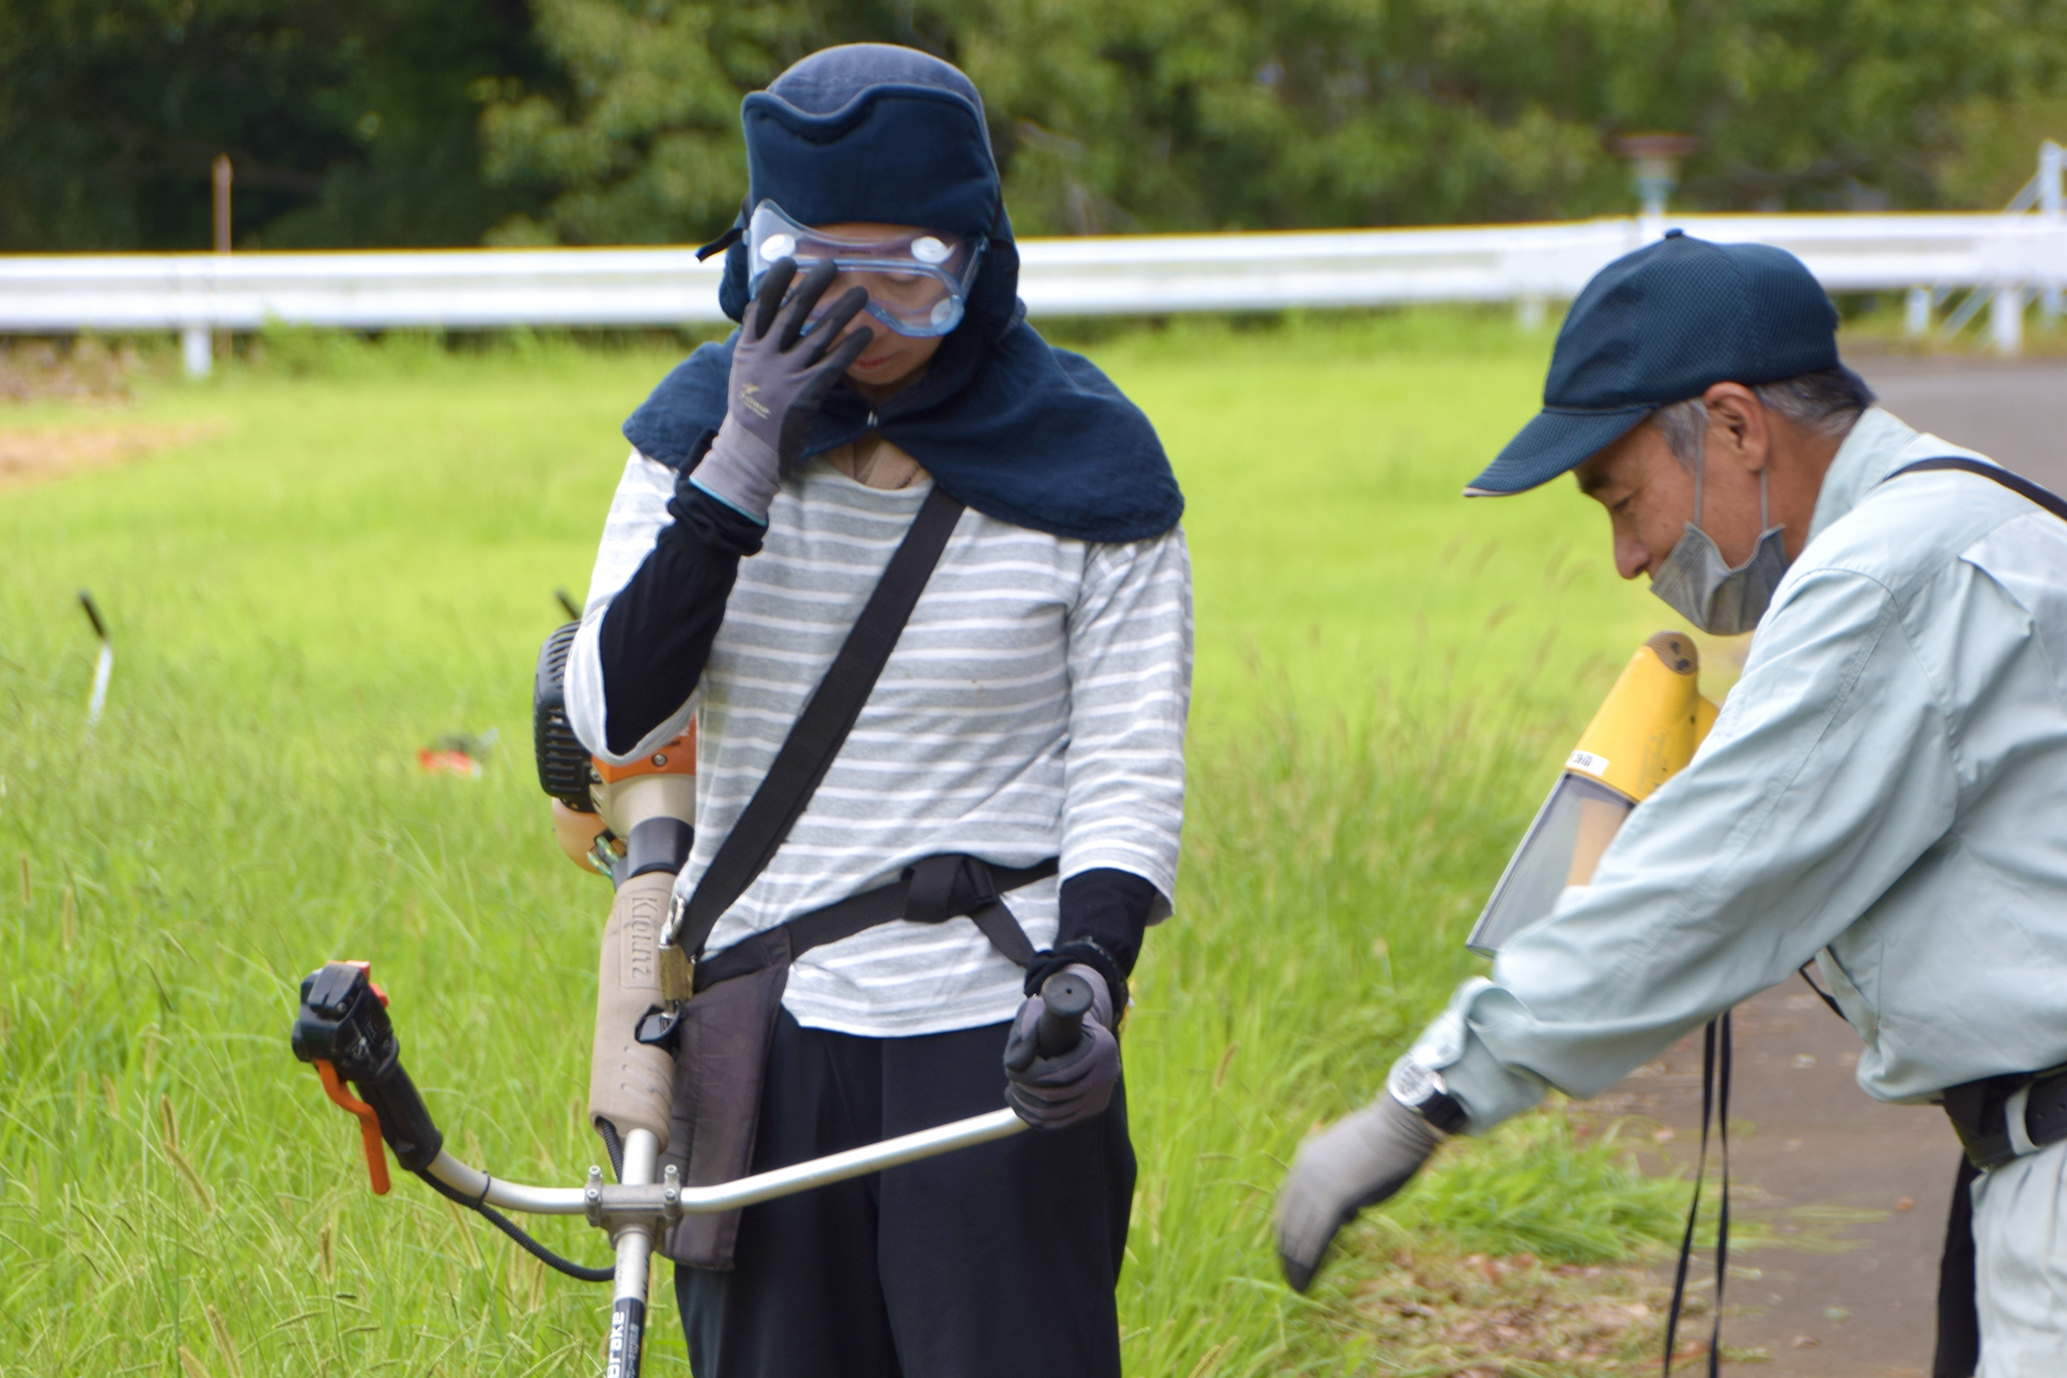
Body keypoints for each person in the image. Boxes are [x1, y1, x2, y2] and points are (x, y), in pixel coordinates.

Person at [1273, 231, 2067, 1378]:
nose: (1628, 556)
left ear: (1738, 426)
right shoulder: (1961, 515)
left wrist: (1428, 1097)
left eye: (1620, 496)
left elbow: (1707, 879)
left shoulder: (1889, 577)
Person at [563, 43, 1191, 1378]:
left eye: (904, 268)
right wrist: (738, 460)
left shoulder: (1090, 462)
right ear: (752, 252)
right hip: (767, 1029)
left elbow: (1127, 765)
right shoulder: (688, 439)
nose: (857, 310)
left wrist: (1087, 969)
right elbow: (617, 714)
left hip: (996, 1025)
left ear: (977, 251)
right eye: (813, 270)